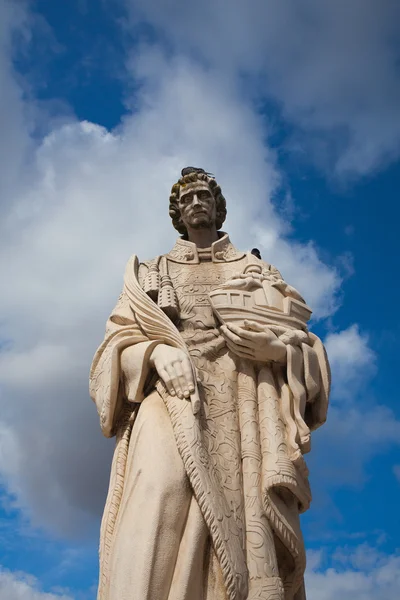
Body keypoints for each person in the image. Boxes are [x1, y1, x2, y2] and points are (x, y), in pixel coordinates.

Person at [89, 167, 330, 600]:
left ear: (218, 207)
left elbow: (305, 340)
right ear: (177, 214)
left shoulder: (258, 270)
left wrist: (277, 352)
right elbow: (111, 349)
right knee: (161, 490)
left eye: (204, 196)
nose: (196, 203)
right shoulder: (151, 272)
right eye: (187, 199)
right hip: (169, 395)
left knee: (247, 519)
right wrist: (154, 353)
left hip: (245, 402)